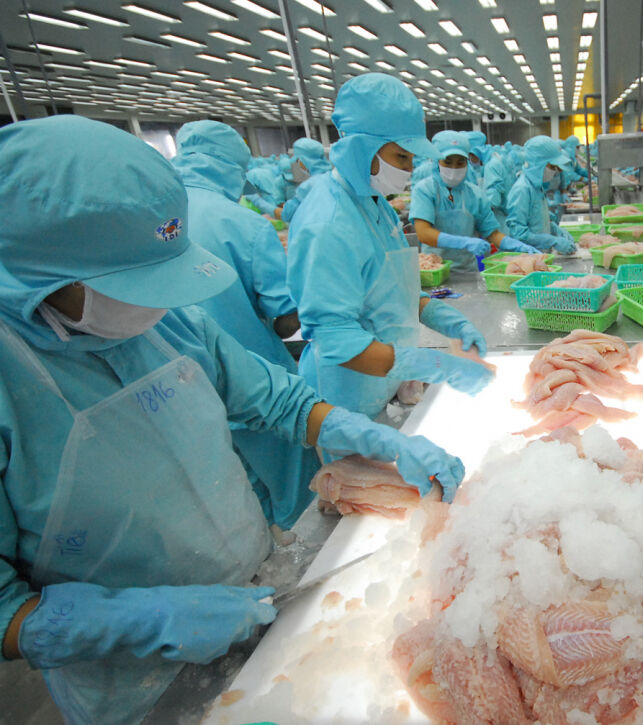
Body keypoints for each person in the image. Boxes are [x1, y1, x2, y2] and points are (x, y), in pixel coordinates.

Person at [0, 115, 466, 725]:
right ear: (37, 265)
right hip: (133, 682)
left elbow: (280, 401)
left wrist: (380, 439)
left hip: (259, 589)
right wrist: (145, 620)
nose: (152, 302)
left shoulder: (168, 322)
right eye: (127, 283)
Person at [287, 74, 494, 419]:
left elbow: (395, 290)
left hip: (383, 384)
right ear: (363, 148)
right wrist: (434, 364)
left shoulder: (374, 202)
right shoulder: (328, 223)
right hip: (345, 399)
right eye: (401, 157)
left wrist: (451, 322)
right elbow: (336, 340)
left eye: (412, 158)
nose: (410, 169)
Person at [171, 120, 320, 529]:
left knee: (239, 508)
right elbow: (286, 321)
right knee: (302, 506)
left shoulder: (153, 218)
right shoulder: (240, 222)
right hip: (258, 390)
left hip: (180, 398)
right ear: (233, 168)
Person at [410, 131, 539, 270]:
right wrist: (464, 242)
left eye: (460, 162)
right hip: (435, 269)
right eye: (447, 162)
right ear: (436, 161)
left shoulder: (475, 194)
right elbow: (423, 233)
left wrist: (516, 245)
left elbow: (492, 233)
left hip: (467, 270)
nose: (454, 168)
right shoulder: (425, 190)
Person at [505, 135, 577, 254]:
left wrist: (554, 228)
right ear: (538, 164)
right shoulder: (522, 189)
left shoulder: (537, 186)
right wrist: (552, 241)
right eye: (552, 167)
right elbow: (519, 234)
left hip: (541, 255)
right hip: (529, 257)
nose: (555, 172)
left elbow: (535, 221)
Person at [281, 138, 331, 223]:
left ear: (303, 160)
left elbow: (287, 214)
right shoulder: (334, 177)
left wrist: (261, 203)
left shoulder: (309, 186)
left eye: (298, 161)